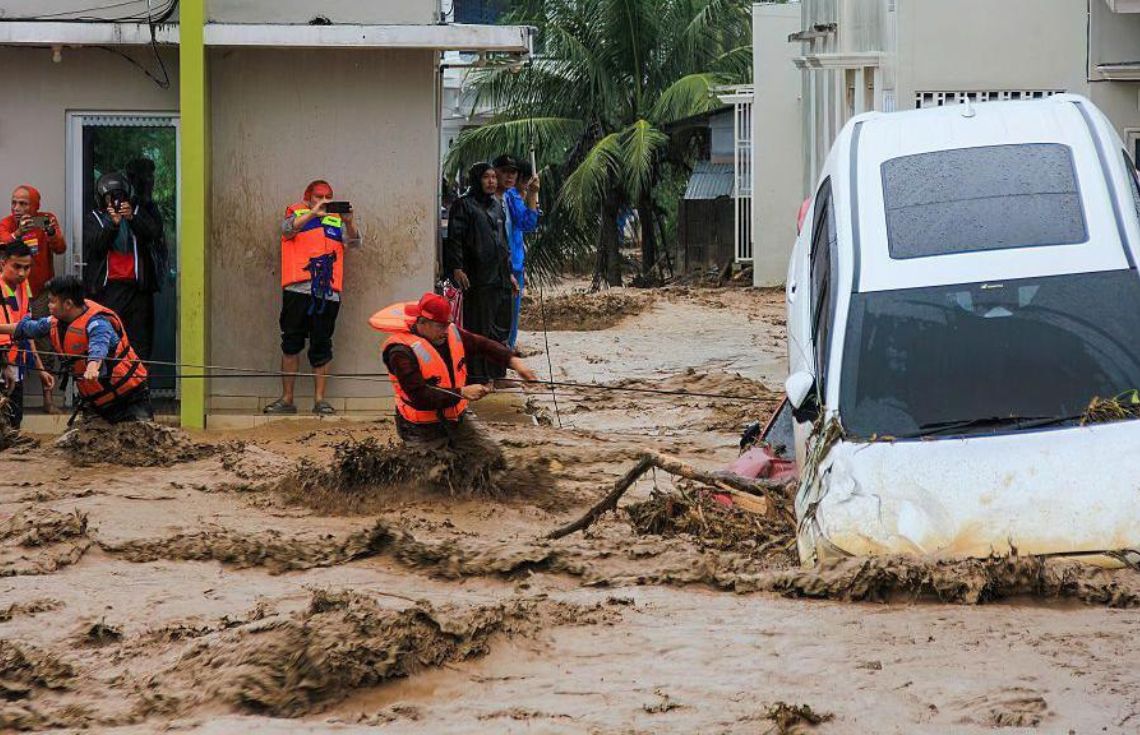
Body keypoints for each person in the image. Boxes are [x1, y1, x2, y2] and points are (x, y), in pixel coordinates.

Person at [371, 292, 538, 447]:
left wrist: (515, 362)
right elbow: (419, 396)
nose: (446, 331)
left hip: (455, 417)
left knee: (490, 458)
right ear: (422, 322)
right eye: (440, 326)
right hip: (419, 427)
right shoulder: (400, 352)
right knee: (438, 473)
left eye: (447, 324)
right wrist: (462, 392)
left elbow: (483, 345)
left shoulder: (450, 332)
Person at [265, 179, 361, 416]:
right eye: (319, 196)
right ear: (308, 197)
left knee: (322, 344)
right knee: (291, 343)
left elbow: (355, 243)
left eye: (328, 196)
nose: (325, 200)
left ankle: (320, 400)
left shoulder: (336, 220)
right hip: (298, 290)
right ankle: (287, 400)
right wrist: (312, 214)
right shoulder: (295, 213)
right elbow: (286, 230)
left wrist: (349, 223)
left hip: (327, 293)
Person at [0, 275, 151, 424]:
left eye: (52, 301)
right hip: (97, 403)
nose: (48, 305)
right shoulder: (54, 321)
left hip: (130, 399)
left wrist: (93, 366)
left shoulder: (98, 322)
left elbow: (99, 345)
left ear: (68, 304)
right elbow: (26, 328)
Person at [83, 171, 166, 361]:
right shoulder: (94, 218)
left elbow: (154, 233)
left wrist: (132, 218)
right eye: (110, 197)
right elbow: (96, 246)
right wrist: (112, 224)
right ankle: (110, 385)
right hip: (108, 290)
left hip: (138, 290)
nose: (116, 201)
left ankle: (139, 385)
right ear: (101, 198)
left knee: (139, 343)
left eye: (120, 196)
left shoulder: (136, 213)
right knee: (109, 339)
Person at [443, 163, 512, 383]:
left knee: (500, 327)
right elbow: (455, 238)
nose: (491, 181)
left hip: (499, 277)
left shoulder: (497, 206)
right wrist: (457, 267)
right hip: (478, 277)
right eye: (486, 177)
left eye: (493, 176)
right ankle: (477, 376)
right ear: (476, 180)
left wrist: (509, 273)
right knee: (478, 328)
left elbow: (503, 242)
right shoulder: (464, 205)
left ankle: (496, 373)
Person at [0, 185, 66, 412]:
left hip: (40, 294)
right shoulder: (7, 224)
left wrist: (51, 233)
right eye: (14, 203)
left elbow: (60, 248)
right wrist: (17, 234)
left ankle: (48, 400)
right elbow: (2, 248)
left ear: (35, 206)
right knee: (10, 339)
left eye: (23, 203)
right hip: (11, 293)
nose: (17, 208)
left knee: (45, 343)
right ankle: (11, 400)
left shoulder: (45, 220)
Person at [0, 243, 54, 428]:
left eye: (27, 267)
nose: (22, 273)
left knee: (15, 421)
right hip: (4, 365)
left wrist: (40, 370)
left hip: (17, 366)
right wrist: (4, 364)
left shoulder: (24, 288)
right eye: (17, 266)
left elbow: (27, 332)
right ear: (3, 263)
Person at [497, 156, 541, 348]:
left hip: (513, 262)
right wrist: (531, 196)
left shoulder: (510, 197)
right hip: (509, 262)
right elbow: (527, 223)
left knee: (510, 314)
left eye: (513, 173)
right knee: (509, 315)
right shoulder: (511, 197)